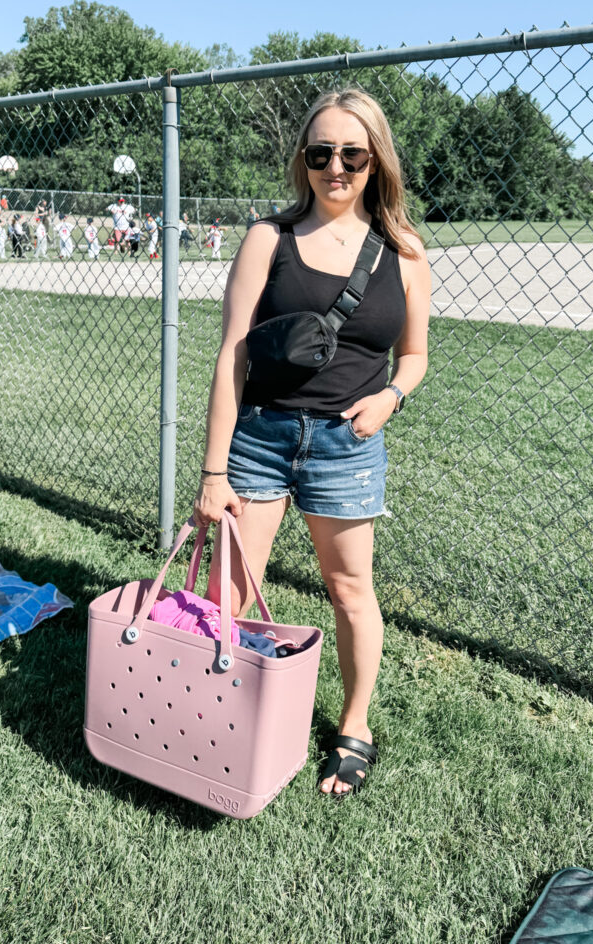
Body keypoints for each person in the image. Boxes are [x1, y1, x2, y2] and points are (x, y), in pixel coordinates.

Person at [193, 88, 431, 798]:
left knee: (350, 590)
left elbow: (414, 357)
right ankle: (217, 715)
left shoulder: (405, 252)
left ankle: (353, 727)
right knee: (227, 593)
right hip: (261, 437)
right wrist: (213, 471)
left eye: (352, 153)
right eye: (320, 152)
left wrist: (390, 397)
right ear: (302, 159)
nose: (336, 166)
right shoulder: (270, 238)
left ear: (376, 159)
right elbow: (232, 352)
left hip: (346, 448)